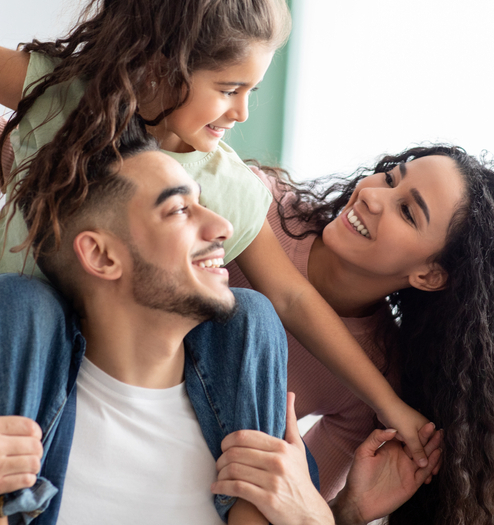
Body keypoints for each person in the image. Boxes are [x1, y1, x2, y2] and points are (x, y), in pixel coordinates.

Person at [0, 0, 433, 462]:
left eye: (253, 90)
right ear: (162, 68)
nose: (243, 111)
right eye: (230, 89)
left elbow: (293, 299)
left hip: (121, 380)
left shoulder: (228, 187)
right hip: (17, 349)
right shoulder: (64, 97)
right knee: (28, 304)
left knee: (251, 312)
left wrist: (390, 405)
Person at [0, 126, 442, 525]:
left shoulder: (266, 425)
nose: (227, 226)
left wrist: (336, 515)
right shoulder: (25, 378)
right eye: (179, 209)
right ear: (101, 255)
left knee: (253, 316)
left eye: (408, 211)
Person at [228, 145, 494, 524]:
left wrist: (350, 510)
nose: (371, 195)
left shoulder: (378, 377)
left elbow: (287, 505)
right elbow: (290, 298)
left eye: (407, 211)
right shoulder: (255, 199)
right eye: (390, 177)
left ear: (429, 275)